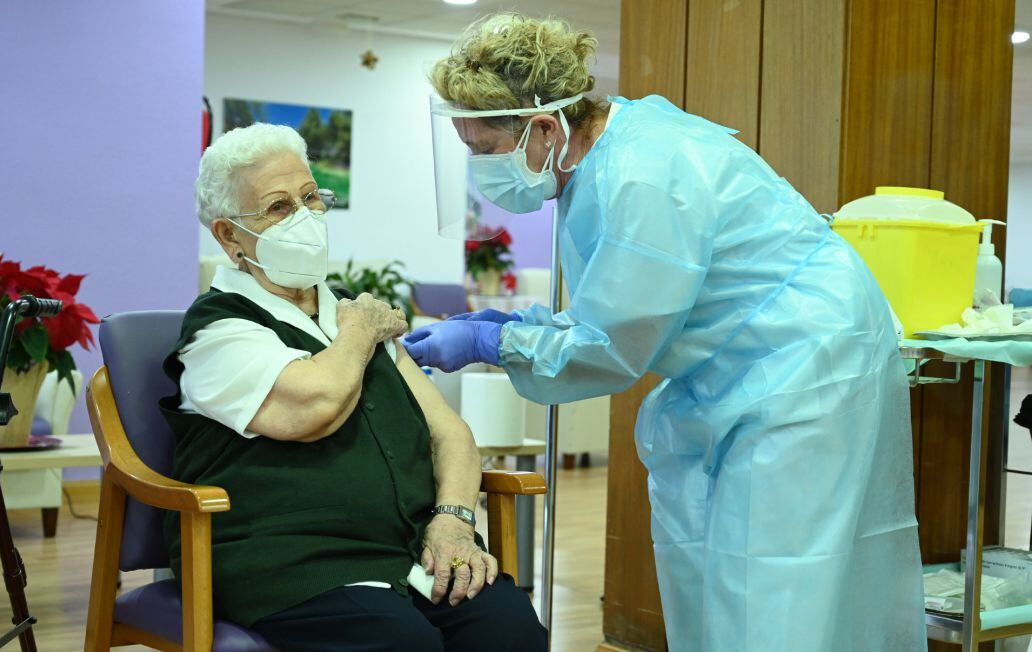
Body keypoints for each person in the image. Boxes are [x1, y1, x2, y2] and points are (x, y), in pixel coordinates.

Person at [405, 13, 927, 652]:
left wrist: (495, 342)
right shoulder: (594, 160)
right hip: (743, 364)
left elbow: (612, 344)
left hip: (805, 366)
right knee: (711, 570)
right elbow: (612, 309)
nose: (480, 169)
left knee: (774, 583)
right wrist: (511, 326)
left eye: (484, 149)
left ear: (542, 126)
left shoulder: (644, 173)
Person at [160, 123, 546, 652]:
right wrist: (362, 330)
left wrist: (453, 520)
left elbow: (449, 433)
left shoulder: (348, 312)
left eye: (311, 196)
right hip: (289, 562)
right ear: (229, 235)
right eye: (278, 207)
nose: (305, 216)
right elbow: (318, 405)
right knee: (399, 644)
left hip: (408, 550)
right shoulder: (219, 331)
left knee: (512, 631)